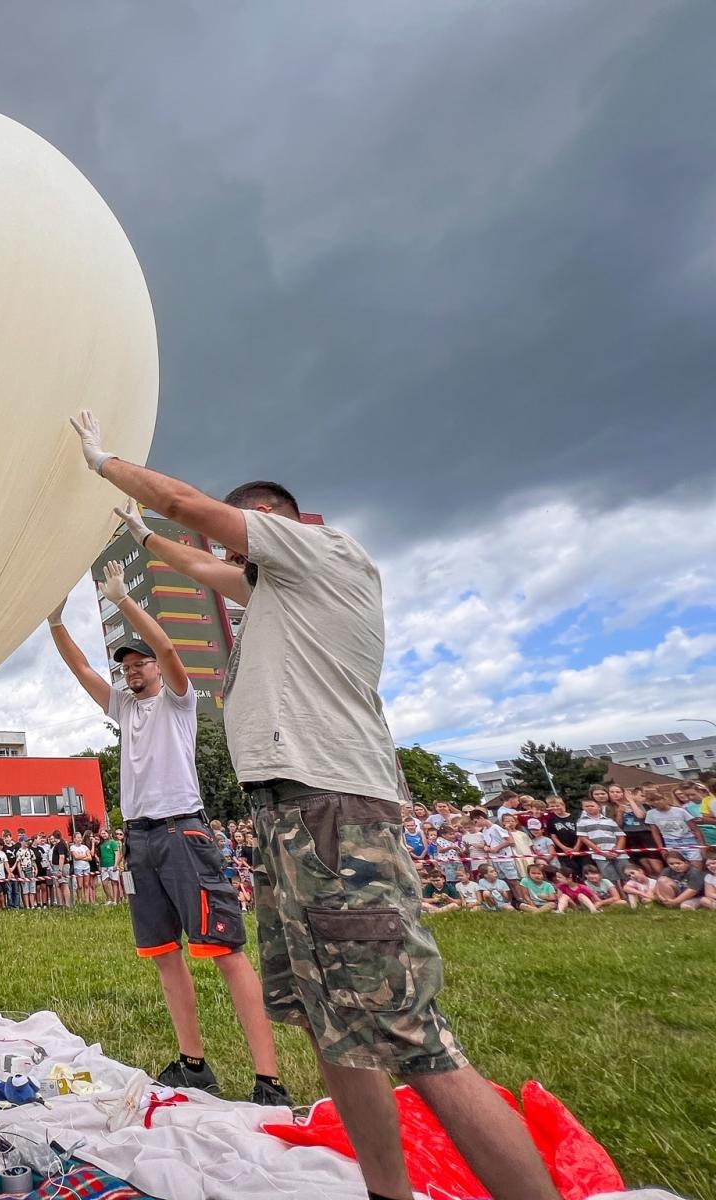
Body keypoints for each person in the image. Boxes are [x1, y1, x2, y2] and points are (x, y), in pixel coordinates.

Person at [70, 418, 562, 1200]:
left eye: (243, 548)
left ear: (275, 529)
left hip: (335, 814)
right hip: (289, 817)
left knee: (412, 1040)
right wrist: (145, 547)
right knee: (333, 1026)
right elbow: (201, 557)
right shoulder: (278, 592)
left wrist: (111, 468)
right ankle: (384, 1191)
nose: (233, 568)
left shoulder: (324, 554)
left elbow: (191, 509)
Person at [48, 560, 288, 1105]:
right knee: (163, 952)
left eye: (140, 662)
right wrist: (56, 624)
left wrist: (125, 600)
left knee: (224, 950)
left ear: (157, 667)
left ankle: (269, 1079)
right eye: (126, 664)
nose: (132, 670)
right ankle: (193, 1062)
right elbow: (83, 669)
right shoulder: (123, 706)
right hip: (140, 839)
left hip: (184, 832)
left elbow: (175, 654)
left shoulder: (178, 701)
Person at [576, 794, 627, 883]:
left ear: (599, 807)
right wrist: (600, 852)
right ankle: (618, 895)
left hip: (617, 852)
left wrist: (617, 850)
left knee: (626, 874)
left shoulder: (609, 821)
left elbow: (621, 836)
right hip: (599, 855)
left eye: (592, 805)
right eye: (586, 806)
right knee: (610, 879)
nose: (589, 808)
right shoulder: (581, 822)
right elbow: (584, 838)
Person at [646, 791, 703, 859]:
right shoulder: (650, 814)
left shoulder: (680, 811)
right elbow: (655, 833)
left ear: (665, 799)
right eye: (653, 801)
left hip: (689, 840)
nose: (657, 802)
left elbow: (695, 829)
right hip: (670, 842)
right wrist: (661, 848)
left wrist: (702, 845)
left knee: (696, 863)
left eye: (659, 799)